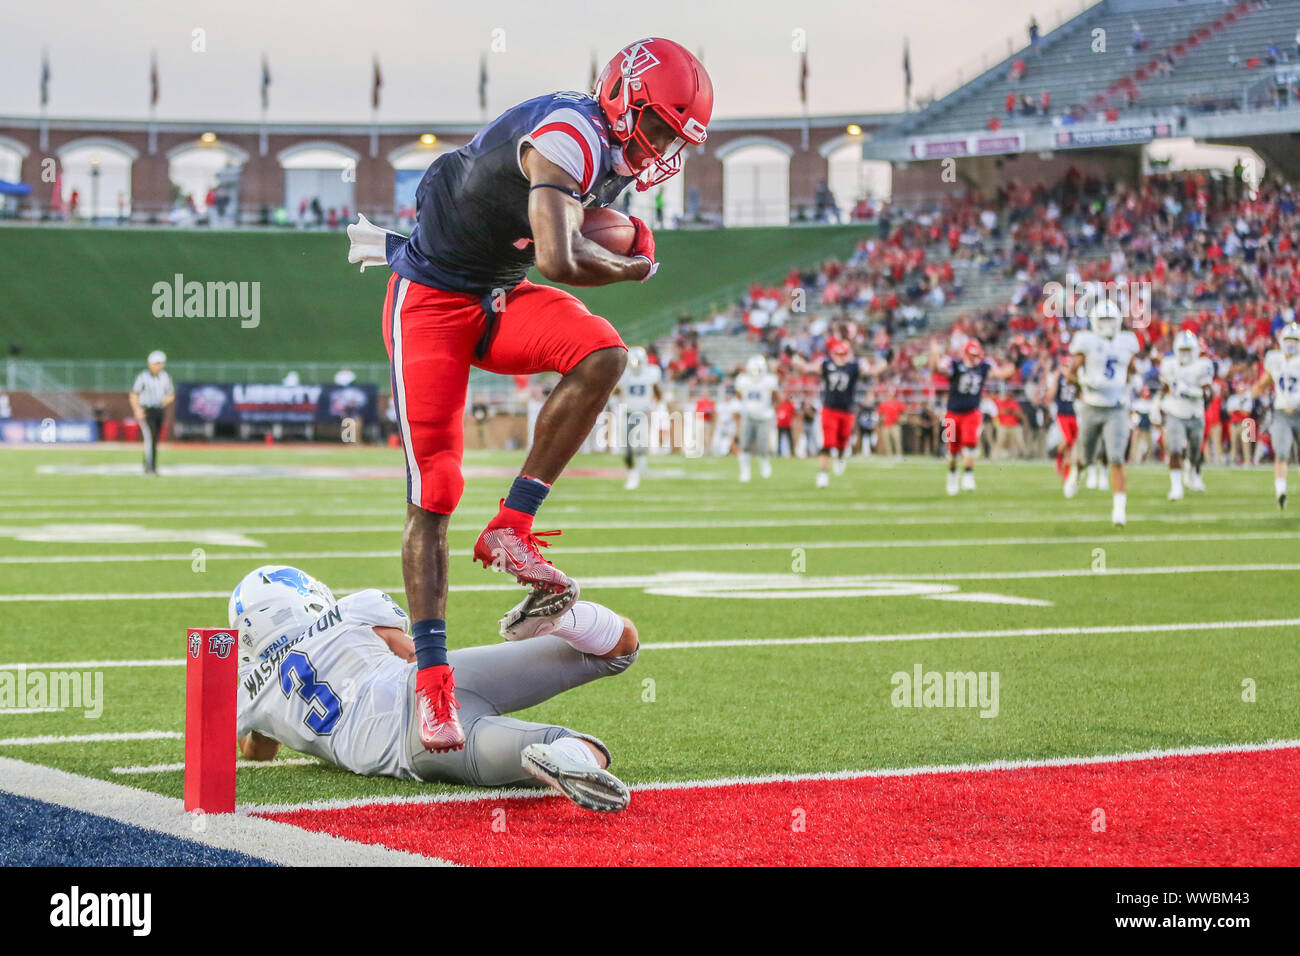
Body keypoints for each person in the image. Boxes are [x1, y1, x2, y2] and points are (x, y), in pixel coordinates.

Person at [344, 38, 713, 752]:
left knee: (602, 352)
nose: (663, 147)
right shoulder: (570, 134)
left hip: (495, 293)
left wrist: (621, 239)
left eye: (676, 136)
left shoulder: (606, 154)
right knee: (438, 490)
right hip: (429, 300)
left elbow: (549, 257)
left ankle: (513, 523)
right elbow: (559, 258)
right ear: (624, 97)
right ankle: (434, 684)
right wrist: (633, 266)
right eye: (662, 126)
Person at [230, 566, 638, 813]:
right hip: (435, 681)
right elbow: (411, 653)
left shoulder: (253, 693)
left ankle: (566, 753)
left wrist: (268, 720)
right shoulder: (351, 609)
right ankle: (560, 622)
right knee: (620, 650)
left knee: (568, 746)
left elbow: (258, 753)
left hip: (414, 748)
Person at [1063, 301, 1141, 527]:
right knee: (1086, 455)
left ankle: (1119, 509)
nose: (1106, 325)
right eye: (1102, 320)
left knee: (1116, 457)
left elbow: (1133, 371)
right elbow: (1070, 374)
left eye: (1110, 320)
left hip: (1116, 406)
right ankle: (1077, 473)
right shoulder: (1086, 341)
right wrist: (1085, 382)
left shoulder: (1126, 342)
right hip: (1091, 405)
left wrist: (1133, 383)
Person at [791, 338, 884, 486]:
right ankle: (823, 474)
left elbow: (872, 372)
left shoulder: (854, 367)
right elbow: (807, 369)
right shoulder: (826, 365)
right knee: (828, 442)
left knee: (843, 440)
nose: (840, 358)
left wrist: (886, 361)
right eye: (838, 354)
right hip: (830, 408)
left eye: (843, 354)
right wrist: (794, 359)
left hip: (847, 410)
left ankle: (840, 456)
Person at [928, 338, 1016, 495]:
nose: (974, 360)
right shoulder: (954, 364)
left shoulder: (984, 366)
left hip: (972, 411)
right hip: (953, 412)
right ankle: (953, 474)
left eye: (977, 356)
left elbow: (1001, 374)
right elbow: (936, 368)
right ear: (965, 354)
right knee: (953, 450)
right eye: (971, 356)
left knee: (970, 442)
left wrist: (1017, 364)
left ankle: (968, 474)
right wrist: (934, 352)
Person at [1159, 330, 1213, 500]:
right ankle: (1176, 487)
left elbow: (1208, 393)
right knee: (1174, 449)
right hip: (1175, 411)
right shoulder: (1169, 364)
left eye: (1188, 350)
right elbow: (1165, 389)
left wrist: (1191, 391)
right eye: (1182, 350)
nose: (1185, 354)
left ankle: (1195, 475)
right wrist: (1157, 405)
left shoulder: (1203, 365)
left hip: (1195, 413)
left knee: (1196, 451)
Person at [1252, 322, 1300, 510]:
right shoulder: (1275, 360)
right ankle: (1280, 490)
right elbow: (1264, 382)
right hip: (1281, 412)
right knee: (1281, 452)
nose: (1291, 344)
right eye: (1288, 339)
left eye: (1295, 340)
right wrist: (1254, 392)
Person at [614, 346, 662, 490]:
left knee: (639, 444)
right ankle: (633, 473)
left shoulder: (651, 373)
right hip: (628, 412)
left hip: (642, 412)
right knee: (627, 448)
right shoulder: (624, 375)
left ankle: (641, 470)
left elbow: (657, 392)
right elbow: (615, 391)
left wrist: (654, 407)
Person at [734, 356, 779, 482]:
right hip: (748, 415)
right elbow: (738, 396)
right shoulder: (743, 380)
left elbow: (776, 398)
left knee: (762, 445)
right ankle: (745, 471)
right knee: (744, 445)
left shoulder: (769, 380)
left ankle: (765, 465)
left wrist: (772, 410)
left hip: (764, 416)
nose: (755, 373)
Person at [129, 350, 174, 475]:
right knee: (150, 437)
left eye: (160, 363)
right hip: (146, 410)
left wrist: (166, 400)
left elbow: (170, 394)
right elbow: (134, 394)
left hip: (159, 410)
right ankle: (150, 467)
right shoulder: (143, 377)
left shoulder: (165, 377)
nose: (157, 366)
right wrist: (137, 409)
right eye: (155, 363)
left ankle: (150, 464)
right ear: (150, 364)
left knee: (155, 438)